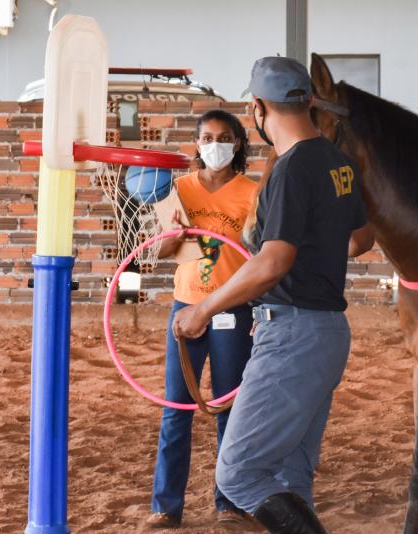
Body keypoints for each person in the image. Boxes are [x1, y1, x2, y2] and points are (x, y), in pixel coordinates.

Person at [173, 56, 374, 534]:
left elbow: (273, 261)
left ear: (257, 108)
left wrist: (202, 308)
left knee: (239, 472)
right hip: (327, 333)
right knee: (290, 475)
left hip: (292, 333)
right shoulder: (337, 161)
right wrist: (318, 247)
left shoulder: (290, 169)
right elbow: (362, 239)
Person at [146, 109, 258, 528]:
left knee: (230, 406)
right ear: (197, 144)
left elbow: (259, 255)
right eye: (208, 138)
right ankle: (165, 506)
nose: (216, 146)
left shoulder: (253, 192)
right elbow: (159, 252)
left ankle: (228, 501)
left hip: (233, 306)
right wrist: (172, 237)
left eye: (225, 138)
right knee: (177, 407)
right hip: (186, 307)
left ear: (239, 143)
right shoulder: (178, 189)